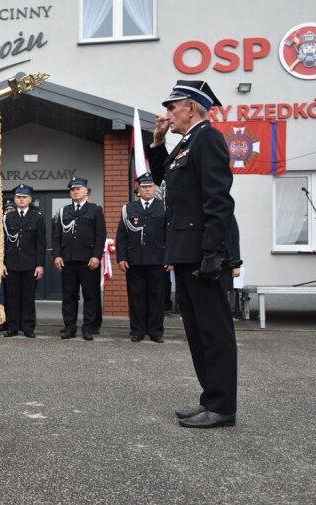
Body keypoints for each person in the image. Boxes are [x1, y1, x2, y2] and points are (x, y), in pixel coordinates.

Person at [146, 79, 237, 429]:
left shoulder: (208, 138)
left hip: (202, 252)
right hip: (184, 251)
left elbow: (219, 200)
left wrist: (213, 252)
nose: (168, 112)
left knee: (214, 332)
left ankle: (223, 406)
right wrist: (157, 143)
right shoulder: (186, 143)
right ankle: (210, 399)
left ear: (192, 107)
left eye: (173, 106)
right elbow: (159, 179)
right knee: (198, 332)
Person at [115, 173, 167, 343]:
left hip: (158, 260)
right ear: (138, 189)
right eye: (144, 186)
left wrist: (170, 258)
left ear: (155, 189)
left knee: (157, 297)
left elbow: (170, 235)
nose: (147, 189)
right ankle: (137, 330)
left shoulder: (164, 207)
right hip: (134, 260)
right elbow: (121, 236)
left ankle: (155, 331)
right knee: (136, 297)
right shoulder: (128, 208)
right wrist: (121, 257)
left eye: (150, 186)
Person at [52, 177, 106, 340]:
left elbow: (100, 235)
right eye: (72, 189)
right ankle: (69, 327)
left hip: (88, 260)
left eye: (78, 189)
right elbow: (57, 236)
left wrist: (96, 256)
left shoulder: (95, 210)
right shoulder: (64, 211)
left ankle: (88, 327)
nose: (75, 191)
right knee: (69, 296)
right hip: (68, 260)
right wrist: (57, 255)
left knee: (90, 295)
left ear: (86, 191)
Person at [2, 184, 46, 338]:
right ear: (14, 199)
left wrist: (40, 264)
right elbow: (3, 243)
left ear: (30, 199)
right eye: (18, 197)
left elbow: (41, 243)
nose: (21, 200)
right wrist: (2, 263)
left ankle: (28, 327)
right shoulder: (7, 217)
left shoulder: (37, 217)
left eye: (24, 197)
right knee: (12, 296)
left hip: (30, 264)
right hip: (11, 263)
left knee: (28, 297)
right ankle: (12, 327)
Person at [0, 199, 17, 332]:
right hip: (1, 265)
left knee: (13, 295)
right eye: (7, 210)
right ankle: (3, 321)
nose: (8, 212)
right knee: (1, 295)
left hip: (14, 264)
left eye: (11, 210)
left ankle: (14, 321)